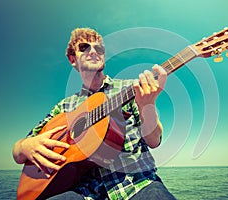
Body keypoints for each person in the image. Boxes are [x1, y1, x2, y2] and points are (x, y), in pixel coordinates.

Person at [12, 27, 176, 200]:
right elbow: (19, 151)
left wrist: (147, 105)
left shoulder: (131, 88)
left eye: (99, 49)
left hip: (138, 185)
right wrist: (24, 147)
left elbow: (154, 140)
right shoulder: (65, 107)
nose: (93, 51)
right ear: (72, 59)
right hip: (83, 193)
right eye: (84, 47)